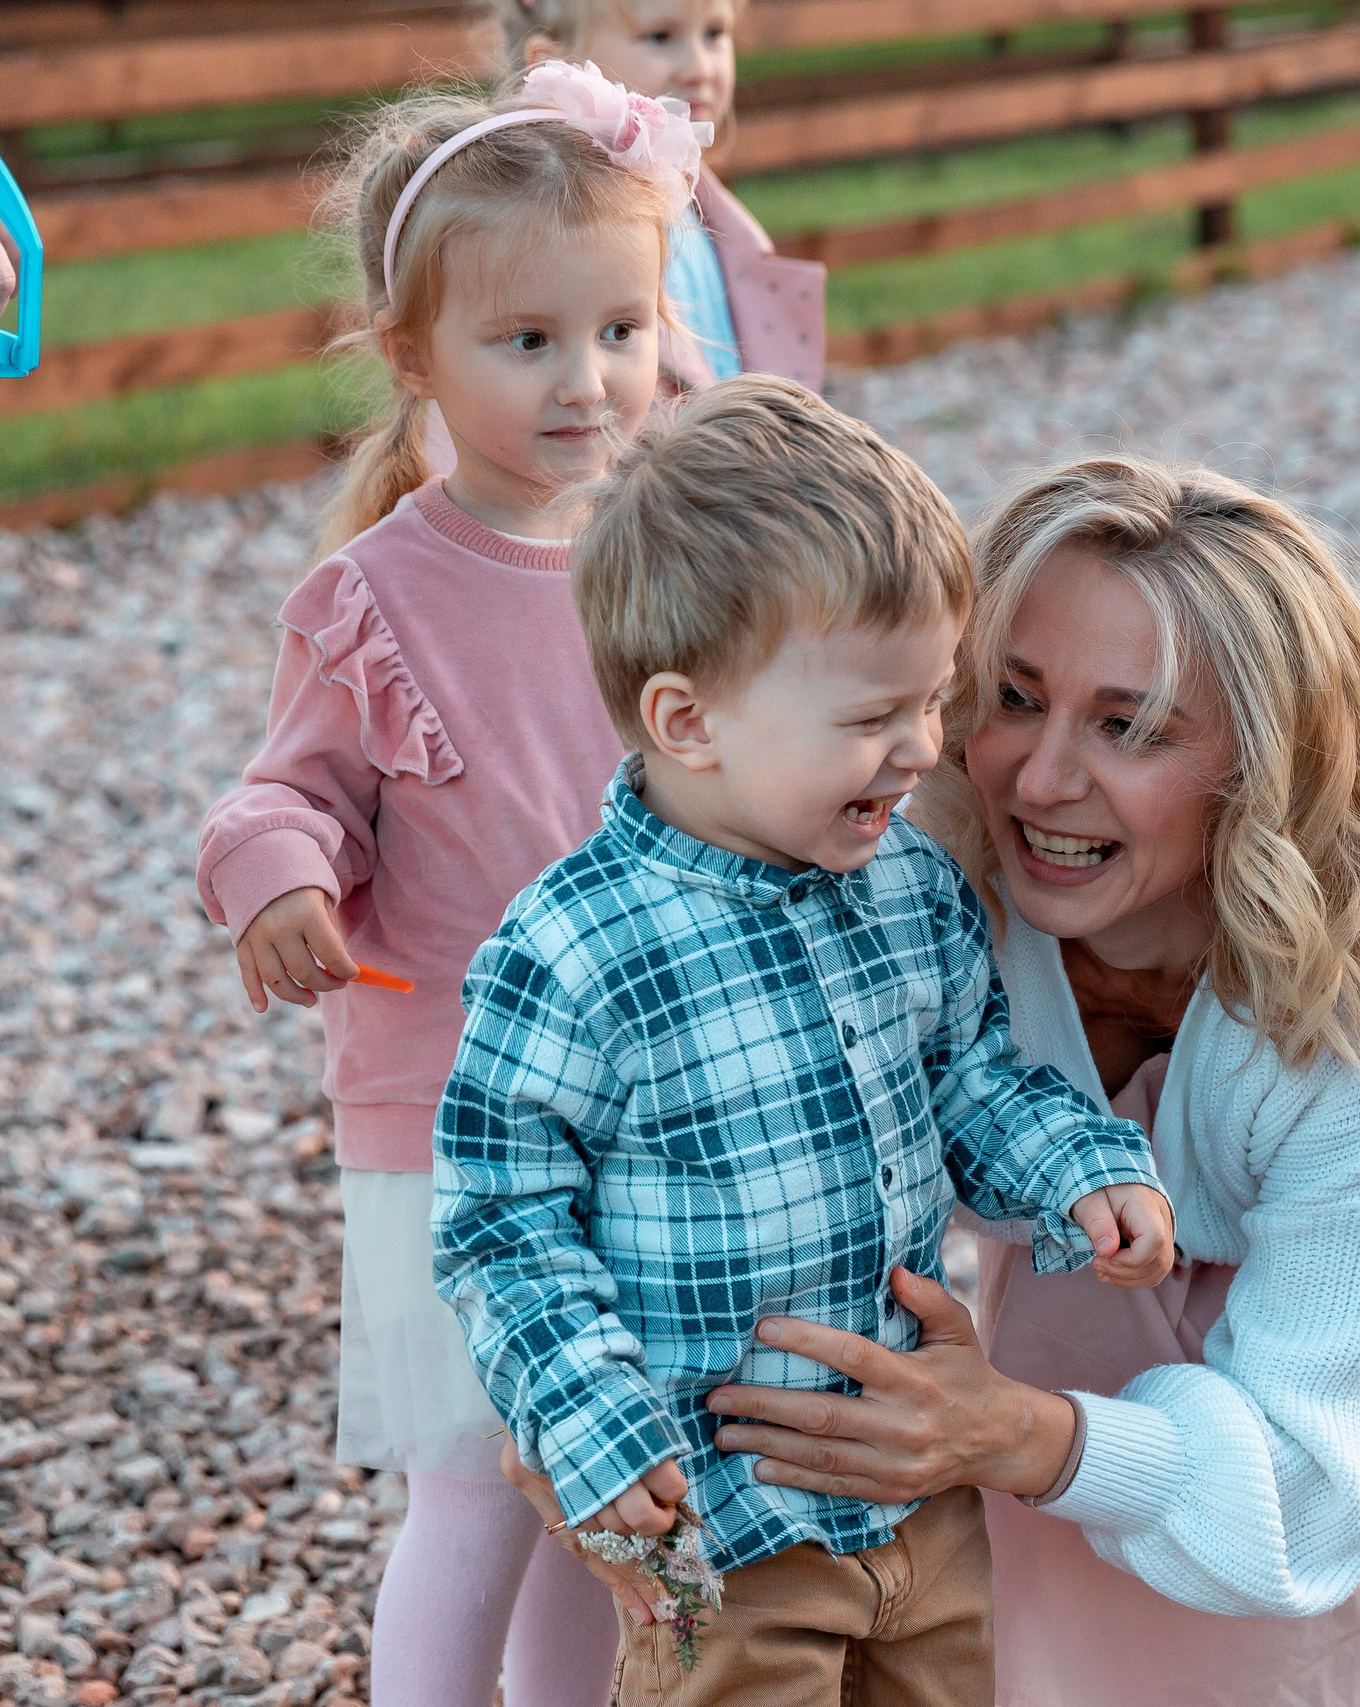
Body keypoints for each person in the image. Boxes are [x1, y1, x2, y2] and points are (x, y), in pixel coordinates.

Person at [526, 456, 1360, 1706]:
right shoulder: (886, 847)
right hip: (1063, 1333)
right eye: (1013, 698)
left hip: (1341, 1311)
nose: (1038, 781)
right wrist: (563, 1387)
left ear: (1263, 761)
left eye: (1128, 727)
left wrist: (1015, 1432)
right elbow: (644, 1117)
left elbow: (1314, 1481)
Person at [436, 377, 1179, 1707]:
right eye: (868, 719)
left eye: (933, 700)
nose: (922, 751)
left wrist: (1077, 1165)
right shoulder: (575, 948)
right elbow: (503, 1220)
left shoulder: (908, 885)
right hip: (716, 1518)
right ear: (687, 721)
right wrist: (590, 1420)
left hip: (912, 1478)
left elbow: (970, 1080)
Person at [194, 63, 701, 1707]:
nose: (588, 381)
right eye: (530, 340)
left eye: (621, 330)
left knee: (589, 1493)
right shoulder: (374, 597)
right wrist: (281, 881)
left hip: (637, 1106)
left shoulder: (666, 563)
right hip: (452, 1121)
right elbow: (283, 795)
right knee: (477, 1489)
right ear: (413, 357)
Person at [493, 0, 826, 390]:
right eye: (660, 37)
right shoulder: (552, 239)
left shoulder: (697, 209)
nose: (700, 68)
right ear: (551, 66)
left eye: (714, 33)